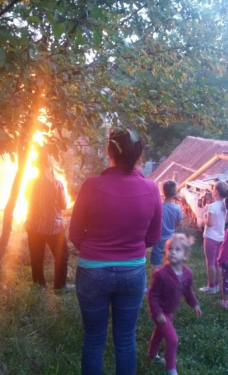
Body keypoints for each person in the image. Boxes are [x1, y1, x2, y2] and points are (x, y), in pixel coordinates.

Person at [69, 129, 162, 375]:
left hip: (92, 272)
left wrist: (95, 251)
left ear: (109, 151)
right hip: (132, 272)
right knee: (125, 339)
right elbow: (153, 237)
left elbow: (75, 234)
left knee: (93, 340)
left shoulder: (90, 186)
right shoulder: (152, 189)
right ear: (139, 155)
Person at [147, 234, 202, 375]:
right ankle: (171, 369)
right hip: (159, 311)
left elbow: (187, 290)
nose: (173, 252)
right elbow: (152, 295)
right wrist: (157, 313)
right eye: (170, 249)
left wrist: (194, 304)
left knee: (159, 332)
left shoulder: (187, 273)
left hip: (169, 311)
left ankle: (152, 353)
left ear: (185, 255)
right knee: (172, 340)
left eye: (177, 249)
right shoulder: (161, 274)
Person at [24, 149, 69, 290]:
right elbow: (63, 205)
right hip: (53, 227)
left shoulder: (31, 183)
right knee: (62, 255)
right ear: (50, 165)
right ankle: (59, 286)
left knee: (36, 256)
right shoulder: (57, 184)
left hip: (33, 226)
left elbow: (26, 198)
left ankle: (39, 284)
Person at [200, 181, 228, 293]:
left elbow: (209, 223)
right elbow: (227, 220)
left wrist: (203, 217)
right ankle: (218, 285)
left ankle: (211, 286)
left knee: (210, 262)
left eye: (213, 188)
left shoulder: (212, 206)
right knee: (218, 262)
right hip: (220, 237)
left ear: (217, 192)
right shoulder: (225, 205)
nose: (212, 190)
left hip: (210, 237)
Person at [150, 180, 183, 274]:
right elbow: (178, 223)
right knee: (168, 261)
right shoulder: (177, 208)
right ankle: (167, 281)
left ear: (163, 191)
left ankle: (155, 284)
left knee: (156, 263)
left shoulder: (158, 206)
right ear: (175, 193)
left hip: (158, 238)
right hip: (170, 238)